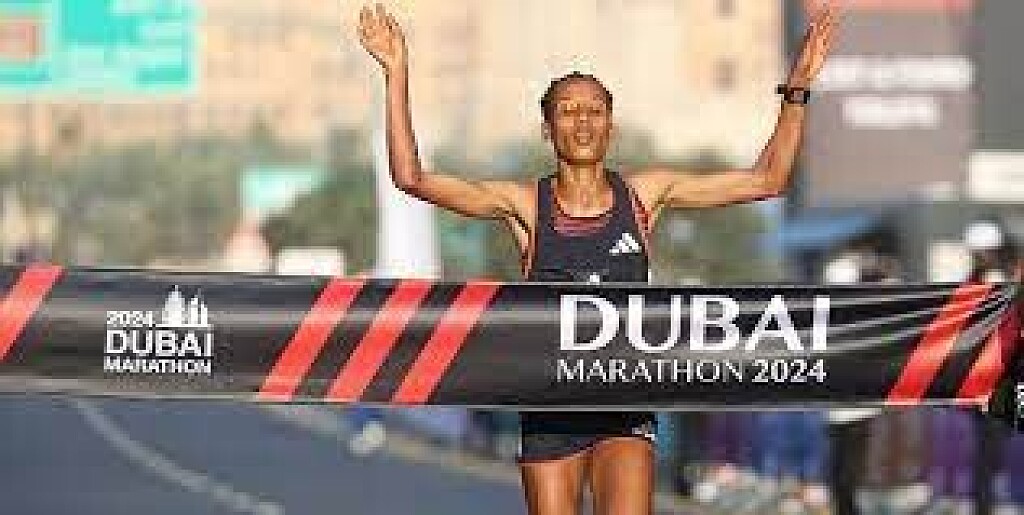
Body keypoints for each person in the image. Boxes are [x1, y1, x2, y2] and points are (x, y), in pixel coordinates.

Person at [356, 3, 837, 513]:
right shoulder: (525, 205)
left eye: (594, 111)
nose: (582, 121)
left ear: (611, 126)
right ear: (548, 129)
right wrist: (396, 72)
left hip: (622, 404)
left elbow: (767, 180)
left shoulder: (644, 196)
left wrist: (798, 90)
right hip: (551, 405)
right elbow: (412, 178)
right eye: (568, 111)